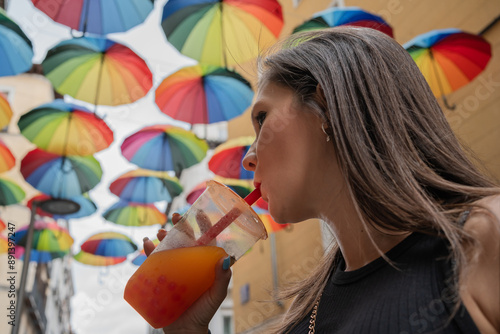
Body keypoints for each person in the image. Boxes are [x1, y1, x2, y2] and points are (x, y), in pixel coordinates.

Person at [144, 26, 500, 333]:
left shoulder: (484, 238)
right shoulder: (306, 312)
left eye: (263, 118)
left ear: (326, 108)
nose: (249, 158)